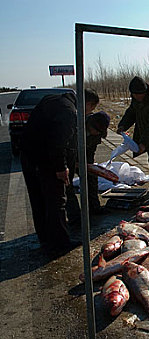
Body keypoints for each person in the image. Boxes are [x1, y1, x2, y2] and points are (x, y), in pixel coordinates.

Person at [20, 88, 99, 250]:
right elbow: (58, 143)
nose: (89, 113)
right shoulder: (69, 112)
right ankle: (59, 244)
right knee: (57, 201)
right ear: (88, 103)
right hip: (46, 161)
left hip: (29, 156)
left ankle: (45, 238)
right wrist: (61, 168)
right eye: (91, 109)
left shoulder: (52, 99)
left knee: (39, 200)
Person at [66, 111, 111, 225]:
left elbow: (91, 151)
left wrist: (89, 166)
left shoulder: (97, 134)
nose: (97, 134)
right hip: (66, 159)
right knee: (67, 186)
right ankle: (75, 216)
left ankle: (94, 207)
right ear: (89, 125)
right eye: (96, 131)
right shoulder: (73, 128)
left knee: (91, 177)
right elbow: (62, 150)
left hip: (83, 159)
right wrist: (74, 164)